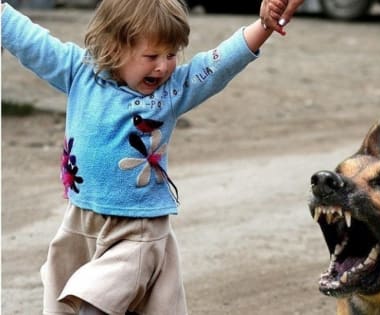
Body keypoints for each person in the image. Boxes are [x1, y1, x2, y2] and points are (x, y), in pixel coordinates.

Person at [1, 0, 303, 314]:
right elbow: (32, 42)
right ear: (114, 46)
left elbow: (220, 63)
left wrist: (265, 25)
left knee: (94, 302)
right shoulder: (80, 73)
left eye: (171, 54)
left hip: (138, 229)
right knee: (69, 299)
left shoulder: (171, 91)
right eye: (151, 56)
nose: (163, 66)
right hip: (81, 219)